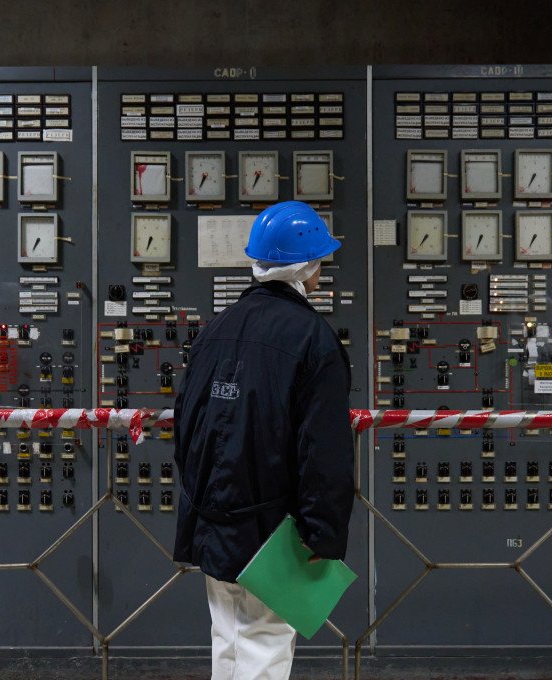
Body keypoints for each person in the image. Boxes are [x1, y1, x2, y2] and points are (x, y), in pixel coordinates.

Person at [173, 201, 355, 680]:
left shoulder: (216, 330)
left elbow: (186, 426)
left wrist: (201, 509)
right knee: (265, 649)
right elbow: (324, 449)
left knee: (228, 644)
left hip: (214, 523)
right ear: (310, 267)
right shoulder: (313, 339)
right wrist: (324, 530)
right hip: (276, 532)